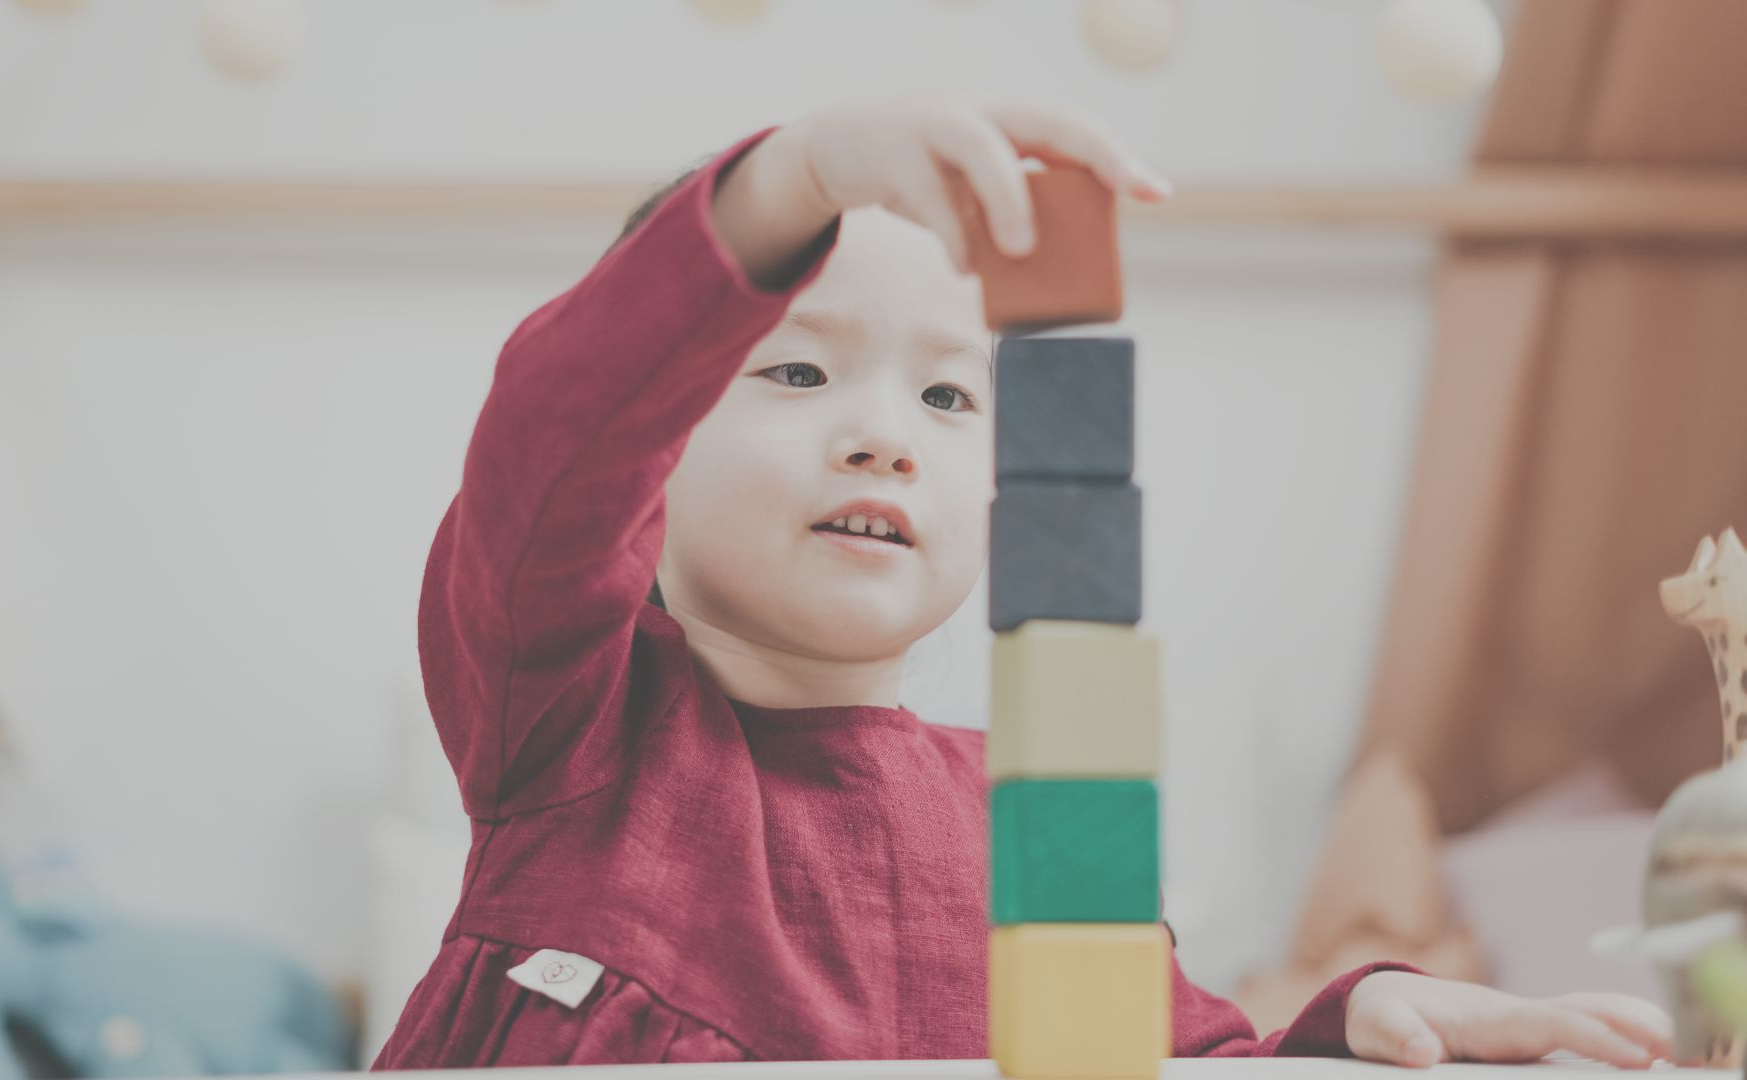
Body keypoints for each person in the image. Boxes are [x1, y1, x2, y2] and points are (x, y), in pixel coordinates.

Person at [372, 99, 1674, 1070]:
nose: (883, 434)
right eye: (796, 371)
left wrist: (1345, 1031)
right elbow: (555, 434)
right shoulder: (568, 729)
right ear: (653, 451)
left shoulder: (1036, 817)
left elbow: (1170, 1057)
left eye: (947, 393)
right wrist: (799, 178)